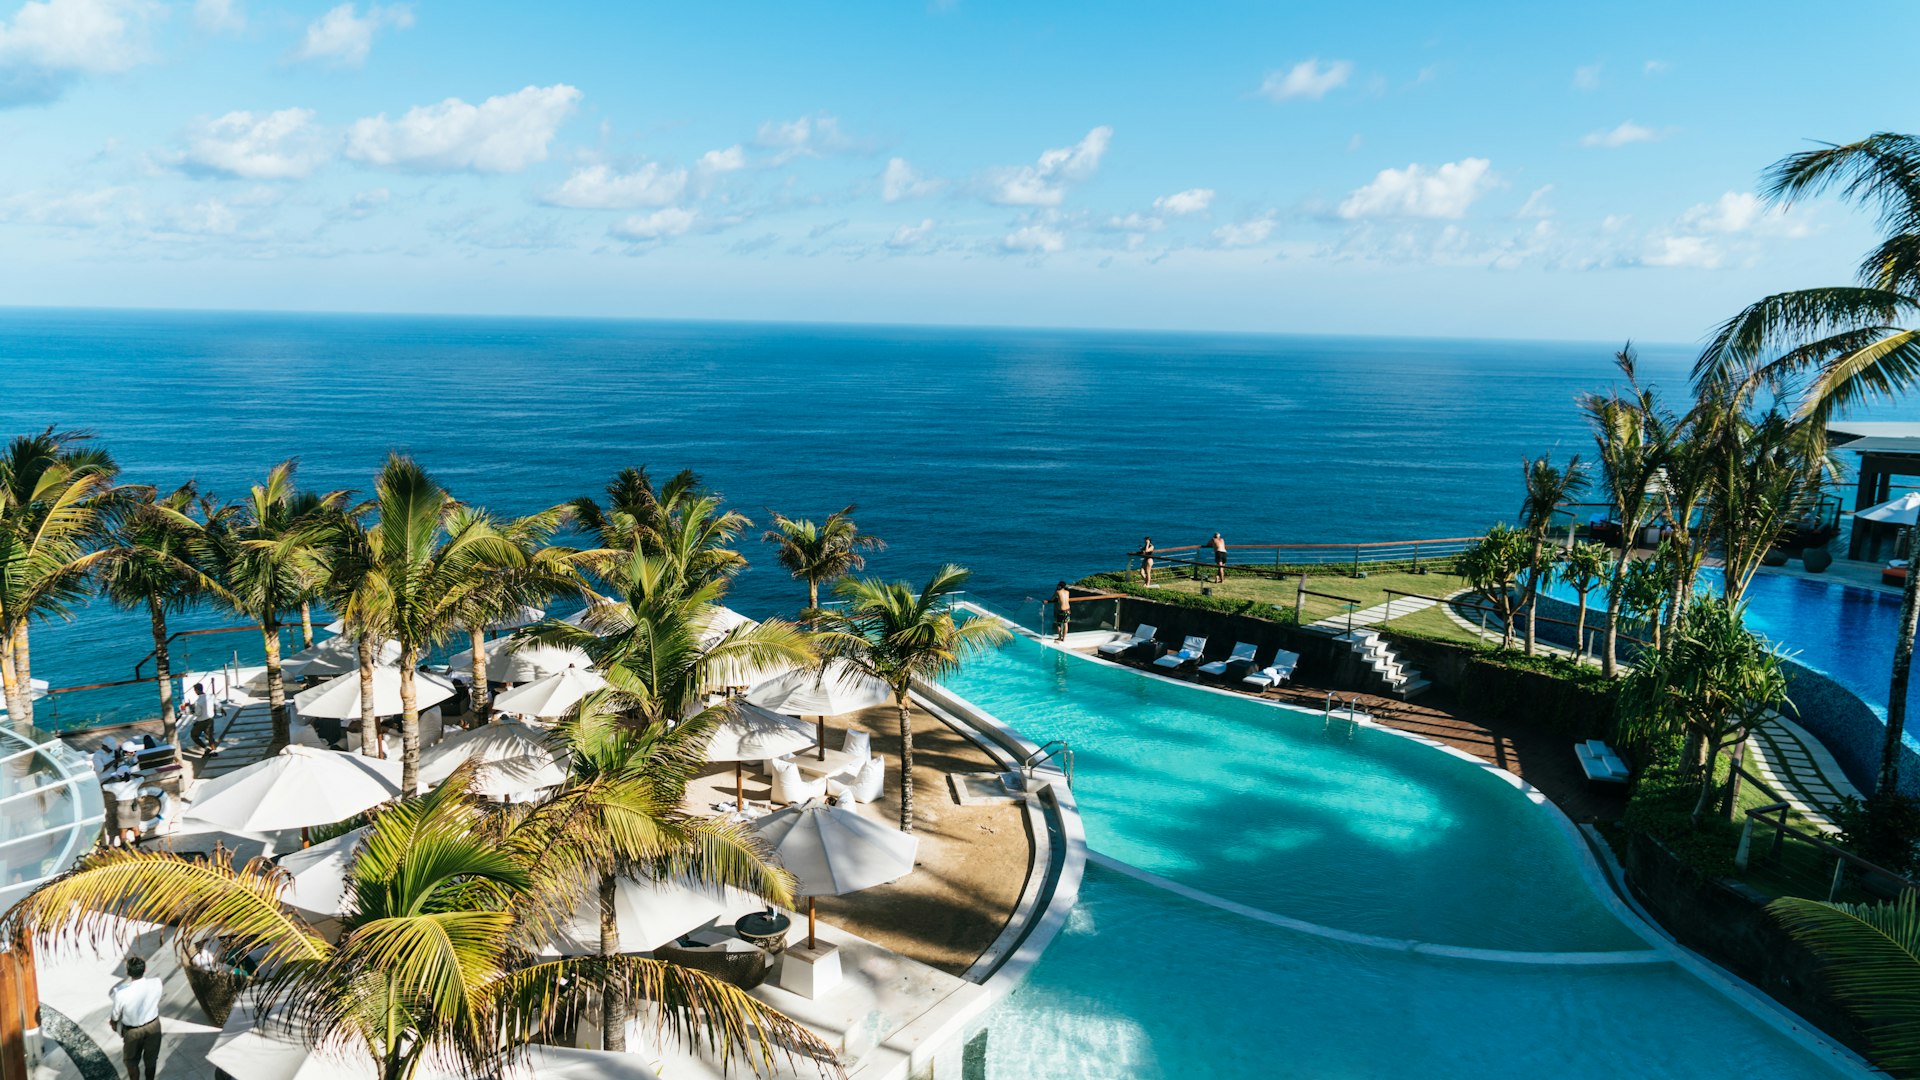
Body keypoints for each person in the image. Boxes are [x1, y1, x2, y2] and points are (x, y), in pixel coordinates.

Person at [108, 955, 162, 1080]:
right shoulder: (156, 983)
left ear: (128, 972)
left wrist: (113, 1023)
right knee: (151, 1060)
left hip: (133, 1031)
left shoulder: (120, 992)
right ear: (145, 969)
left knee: (131, 1062)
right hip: (154, 1026)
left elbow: (115, 1015)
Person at [190, 682, 220, 758]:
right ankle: (214, 750)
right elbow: (218, 704)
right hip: (210, 719)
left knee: (194, 735)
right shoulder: (210, 696)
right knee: (210, 736)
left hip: (201, 721)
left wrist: (192, 711)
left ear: (197, 690)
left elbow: (198, 713)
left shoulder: (198, 701)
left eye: (195, 690)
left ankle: (206, 748)